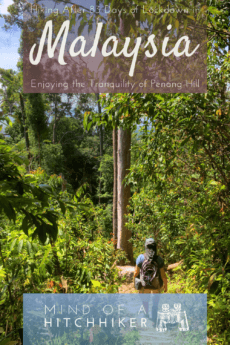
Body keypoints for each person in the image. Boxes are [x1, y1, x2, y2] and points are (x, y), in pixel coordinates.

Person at [134, 238, 168, 321]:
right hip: (156, 284)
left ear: (145, 247)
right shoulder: (159, 259)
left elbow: (136, 273)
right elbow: (163, 274)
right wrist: (165, 285)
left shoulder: (141, 258)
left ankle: (146, 315)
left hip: (144, 284)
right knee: (155, 302)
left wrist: (134, 283)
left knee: (145, 300)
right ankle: (154, 319)